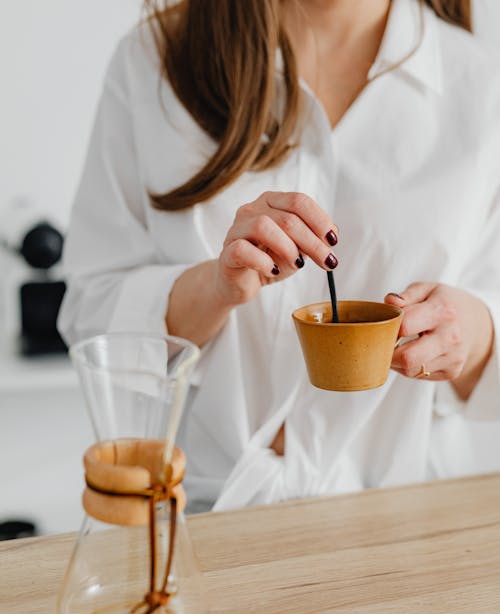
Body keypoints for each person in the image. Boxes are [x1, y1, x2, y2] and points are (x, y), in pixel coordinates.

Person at [59, 0, 500, 512]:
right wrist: (215, 288)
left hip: (407, 520)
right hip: (197, 516)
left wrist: (476, 332)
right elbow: (91, 319)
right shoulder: (156, 60)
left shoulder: (482, 86)